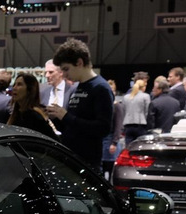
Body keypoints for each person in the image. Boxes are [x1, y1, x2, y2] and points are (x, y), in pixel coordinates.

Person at [46, 38, 115, 169]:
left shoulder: (101, 88)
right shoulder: (77, 88)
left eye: (66, 69)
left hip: (87, 164)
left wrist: (66, 116)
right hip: (71, 160)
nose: (64, 75)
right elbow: (72, 128)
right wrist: (55, 117)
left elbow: (103, 128)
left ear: (79, 62)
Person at [7, 72, 56, 138]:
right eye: (14, 84)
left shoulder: (34, 116)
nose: (14, 88)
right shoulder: (17, 113)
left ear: (29, 90)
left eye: (19, 84)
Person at [102, 80, 125, 178]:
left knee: (111, 168)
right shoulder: (103, 106)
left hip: (111, 140)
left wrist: (114, 142)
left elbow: (118, 126)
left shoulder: (117, 106)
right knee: (102, 168)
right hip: (102, 140)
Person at [121, 78, 151, 146]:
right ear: (143, 87)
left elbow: (123, 111)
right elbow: (147, 112)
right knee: (141, 147)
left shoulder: (126, 97)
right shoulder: (146, 96)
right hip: (140, 125)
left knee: (128, 147)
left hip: (128, 126)